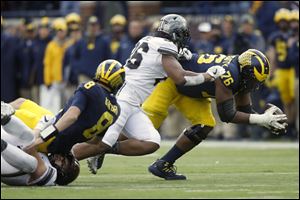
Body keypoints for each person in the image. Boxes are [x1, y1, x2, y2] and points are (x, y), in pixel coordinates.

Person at [71, 14, 226, 173]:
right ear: (174, 33)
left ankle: (100, 151)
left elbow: (161, 60)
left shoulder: (147, 40)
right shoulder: (166, 46)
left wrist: (183, 54)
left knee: (152, 141)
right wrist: (208, 76)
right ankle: (59, 157)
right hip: (124, 100)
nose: (183, 38)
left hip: (133, 103)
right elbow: (180, 78)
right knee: (102, 142)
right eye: (181, 34)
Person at [143, 49, 287, 180]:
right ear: (246, 72)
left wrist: (267, 122)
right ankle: (119, 140)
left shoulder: (242, 74)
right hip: (171, 81)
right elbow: (227, 115)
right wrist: (262, 119)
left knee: (205, 125)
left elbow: (245, 112)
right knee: (142, 131)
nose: (254, 85)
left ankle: (163, 164)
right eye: (253, 80)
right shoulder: (229, 73)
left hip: (191, 92)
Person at [27, 59, 125, 156]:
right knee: (25, 104)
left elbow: (72, 116)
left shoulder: (90, 87)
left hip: (50, 138)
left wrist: (44, 136)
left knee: (20, 104)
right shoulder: (116, 110)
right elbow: (95, 141)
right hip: (63, 147)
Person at [1, 102, 79, 186]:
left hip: (8, 161)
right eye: (64, 158)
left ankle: (6, 120)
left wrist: (39, 128)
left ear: (63, 173)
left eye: (63, 162)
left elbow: (30, 148)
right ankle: (5, 118)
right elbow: (49, 118)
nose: (60, 158)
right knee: (30, 141)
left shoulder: (51, 175)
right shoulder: (45, 151)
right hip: (8, 146)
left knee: (33, 159)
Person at [267, 8, 297, 139]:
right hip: (281, 70)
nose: (284, 23)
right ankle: (287, 127)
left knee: (293, 100)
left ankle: (291, 125)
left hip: (292, 70)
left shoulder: (292, 36)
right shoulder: (276, 36)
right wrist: (271, 73)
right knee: (286, 100)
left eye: (286, 21)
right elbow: (272, 56)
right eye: (282, 21)